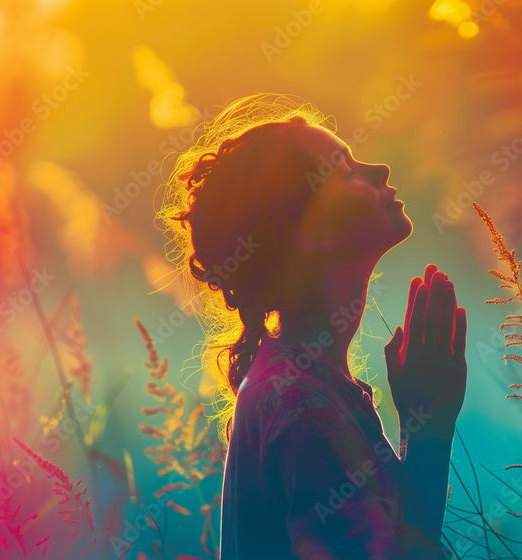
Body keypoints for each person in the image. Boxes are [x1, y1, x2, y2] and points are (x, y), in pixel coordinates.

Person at [158, 94, 467, 559]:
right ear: (312, 231)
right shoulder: (303, 404)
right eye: (346, 171)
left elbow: (402, 538)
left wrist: (429, 424)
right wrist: (429, 427)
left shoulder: (306, 384)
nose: (379, 169)